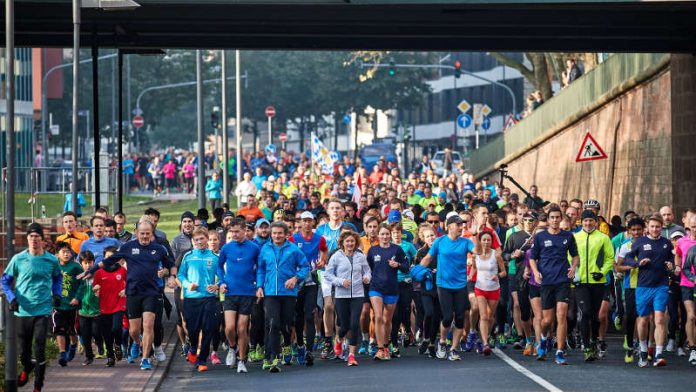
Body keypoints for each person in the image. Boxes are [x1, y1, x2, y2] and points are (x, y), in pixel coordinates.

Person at [81, 218, 177, 371]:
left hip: (151, 292)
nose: (145, 236)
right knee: (133, 330)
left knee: (149, 325)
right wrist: (91, 271)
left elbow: (171, 265)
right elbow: (108, 261)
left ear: (152, 233)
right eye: (142, 233)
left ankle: (145, 359)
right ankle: (137, 343)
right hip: (133, 293)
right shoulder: (128, 247)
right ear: (137, 233)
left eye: (148, 234)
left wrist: (172, 276)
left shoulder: (158, 249)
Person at [1, 223, 62, 392]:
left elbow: (58, 278)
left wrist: (57, 294)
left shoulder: (51, 260)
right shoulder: (18, 259)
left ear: (42, 239)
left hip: (42, 310)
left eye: (37, 236)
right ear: (27, 239)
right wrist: (11, 298)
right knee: (24, 352)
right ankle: (28, 367)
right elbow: (5, 281)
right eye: (31, 236)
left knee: (40, 347)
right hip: (23, 310)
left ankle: (37, 386)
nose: (34, 239)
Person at [420, 215, 475, 361]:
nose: (461, 227)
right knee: (447, 317)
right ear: (449, 226)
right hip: (443, 285)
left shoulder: (466, 242)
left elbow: (477, 252)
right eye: (458, 224)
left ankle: (454, 349)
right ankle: (443, 341)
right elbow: (428, 258)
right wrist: (417, 270)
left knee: (460, 317)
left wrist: (476, 235)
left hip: (461, 285)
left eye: (462, 224)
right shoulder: (440, 241)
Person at [528, 206, 579, 365]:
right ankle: (543, 339)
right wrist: (535, 272)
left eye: (558, 217)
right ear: (548, 219)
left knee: (562, 315)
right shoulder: (540, 237)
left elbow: (575, 255)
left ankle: (559, 351)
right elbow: (532, 257)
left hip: (563, 280)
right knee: (546, 321)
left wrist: (574, 266)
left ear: (561, 218)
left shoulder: (568, 236)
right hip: (547, 281)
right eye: (552, 217)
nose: (555, 220)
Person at [256, 221, 309, 373]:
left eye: (280, 233)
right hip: (270, 292)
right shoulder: (265, 249)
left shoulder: (293, 249)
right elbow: (261, 269)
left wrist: (295, 279)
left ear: (286, 234)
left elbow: (305, 267)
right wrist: (259, 286)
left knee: (286, 325)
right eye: (274, 233)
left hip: (288, 293)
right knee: (272, 323)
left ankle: (287, 343)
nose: (277, 236)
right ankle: (273, 357)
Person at [624, 215, 674, 368]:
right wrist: (638, 263)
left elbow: (671, 259)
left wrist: (670, 265)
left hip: (661, 285)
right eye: (652, 226)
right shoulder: (640, 242)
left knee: (659, 319)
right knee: (644, 319)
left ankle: (658, 353)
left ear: (661, 227)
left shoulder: (666, 243)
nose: (654, 229)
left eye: (657, 227)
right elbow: (627, 258)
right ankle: (644, 349)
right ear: (647, 227)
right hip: (643, 286)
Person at [218, 218, 261, 373]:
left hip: (248, 292)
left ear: (244, 230)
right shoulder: (226, 248)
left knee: (242, 329)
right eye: (232, 231)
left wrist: (259, 285)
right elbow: (219, 267)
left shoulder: (254, 248)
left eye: (237, 231)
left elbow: (260, 268)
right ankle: (232, 347)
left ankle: (242, 360)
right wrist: (221, 282)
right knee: (229, 328)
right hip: (230, 292)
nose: (234, 234)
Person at [323, 230, 371, 366]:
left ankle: (351, 355)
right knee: (344, 325)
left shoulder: (360, 256)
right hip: (341, 295)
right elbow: (328, 275)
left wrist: (367, 277)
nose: (350, 243)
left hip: (357, 294)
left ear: (356, 243)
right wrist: (340, 281)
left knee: (354, 323)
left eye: (352, 241)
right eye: (347, 241)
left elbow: (367, 270)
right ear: (342, 243)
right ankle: (338, 340)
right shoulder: (336, 256)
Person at [178, 227, 222, 372]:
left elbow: (223, 277)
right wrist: (188, 285)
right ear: (193, 241)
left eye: (202, 239)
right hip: (192, 299)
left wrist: (217, 285)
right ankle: (192, 348)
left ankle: (202, 360)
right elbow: (180, 275)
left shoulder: (215, 257)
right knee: (192, 329)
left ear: (206, 239)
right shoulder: (188, 256)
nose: (199, 242)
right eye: (196, 240)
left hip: (209, 299)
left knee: (209, 328)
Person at [573, 210, 614, 361]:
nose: (588, 223)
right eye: (585, 221)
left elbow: (610, 258)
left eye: (591, 221)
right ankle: (587, 347)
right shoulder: (575, 237)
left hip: (598, 282)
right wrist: (574, 273)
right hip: (581, 282)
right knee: (586, 312)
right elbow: (569, 257)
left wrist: (602, 272)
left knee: (596, 316)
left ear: (596, 222)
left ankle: (594, 339)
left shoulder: (603, 238)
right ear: (581, 222)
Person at [289, 211, 328, 366]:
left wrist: (323, 261)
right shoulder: (293, 238)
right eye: (304, 221)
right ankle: (299, 344)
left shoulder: (319, 238)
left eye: (309, 221)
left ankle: (309, 350)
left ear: (313, 223)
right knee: (298, 317)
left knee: (310, 315)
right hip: (297, 281)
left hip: (312, 280)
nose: (306, 223)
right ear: (301, 222)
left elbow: (324, 250)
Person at [367, 222, 409, 361]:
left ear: (390, 235)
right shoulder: (373, 250)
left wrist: (397, 264)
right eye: (382, 234)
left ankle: (386, 346)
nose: (385, 236)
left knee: (387, 320)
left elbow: (406, 267)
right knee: (378, 316)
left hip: (392, 288)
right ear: (378, 235)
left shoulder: (397, 249)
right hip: (376, 288)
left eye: (387, 234)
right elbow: (368, 268)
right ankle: (379, 349)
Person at [470, 230, 506, 355]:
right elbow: (474, 268)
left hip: (494, 289)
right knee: (484, 316)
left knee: (490, 317)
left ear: (491, 242)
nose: (486, 242)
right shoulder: (476, 255)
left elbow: (504, 272)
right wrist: (469, 277)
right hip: (480, 288)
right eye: (484, 240)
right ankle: (485, 343)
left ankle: (482, 338)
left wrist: (498, 275)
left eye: (488, 240)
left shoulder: (496, 255)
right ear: (480, 241)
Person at [93, 246, 127, 367]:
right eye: (107, 257)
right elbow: (94, 287)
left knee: (116, 329)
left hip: (118, 304)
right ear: (104, 258)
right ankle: (110, 357)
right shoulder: (98, 272)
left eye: (113, 257)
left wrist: (125, 290)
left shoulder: (122, 271)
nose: (110, 259)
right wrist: (95, 289)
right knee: (106, 333)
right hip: (104, 306)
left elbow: (131, 282)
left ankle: (117, 344)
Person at [54, 241, 84, 366]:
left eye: (68, 252)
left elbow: (83, 284)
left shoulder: (76, 267)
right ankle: (62, 354)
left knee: (71, 329)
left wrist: (77, 297)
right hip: (58, 304)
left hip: (71, 304)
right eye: (63, 252)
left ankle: (72, 345)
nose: (66, 254)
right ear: (57, 254)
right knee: (59, 329)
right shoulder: (54, 266)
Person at [674, 215, 696, 364]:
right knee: (691, 316)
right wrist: (677, 266)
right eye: (693, 226)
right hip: (687, 283)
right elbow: (678, 255)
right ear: (688, 226)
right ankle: (692, 348)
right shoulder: (682, 241)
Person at [75, 250, 102, 366]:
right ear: (80, 263)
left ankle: (100, 343)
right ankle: (89, 356)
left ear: (94, 262)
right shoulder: (78, 276)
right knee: (85, 335)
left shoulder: (98, 274)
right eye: (85, 263)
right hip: (83, 311)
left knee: (96, 332)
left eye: (90, 262)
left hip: (97, 310)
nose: (88, 265)